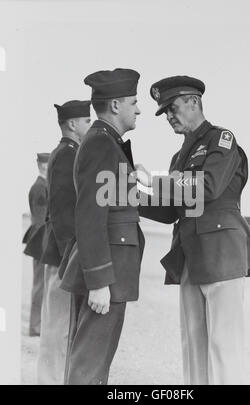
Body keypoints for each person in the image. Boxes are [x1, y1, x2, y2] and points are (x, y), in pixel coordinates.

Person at [136, 75, 250, 385]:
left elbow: (208, 187)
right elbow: (171, 211)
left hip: (222, 254)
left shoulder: (222, 140)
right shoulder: (178, 157)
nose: (169, 117)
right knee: (193, 344)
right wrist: (131, 196)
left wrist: (154, 180)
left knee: (224, 345)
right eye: (164, 112)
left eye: (172, 108)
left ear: (193, 103)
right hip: (191, 255)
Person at [60, 68, 145, 385]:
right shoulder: (100, 144)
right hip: (105, 274)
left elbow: (130, 198)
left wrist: (190, 197)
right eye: (134, 102)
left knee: (94, 366)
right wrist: (98, 282)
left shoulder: (107, 142)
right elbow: (90, 215)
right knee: (89, 367)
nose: (138, 109)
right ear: (115, 105)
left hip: (111, 272)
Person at [37, 100, 91, 385]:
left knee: (60, 326)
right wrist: (71, 256)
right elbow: (62, 214)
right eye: (87, 122)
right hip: (62, 256)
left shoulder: (67, 152)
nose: (90, 127)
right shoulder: (68, 154)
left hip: (60, 254)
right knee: (58, 328)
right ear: (72, 124)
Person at [23, 153, 50, 336]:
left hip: (41, 239)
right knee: (40, 284)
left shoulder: (42, 185)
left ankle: (37, 324)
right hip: (40, 240)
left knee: (41, 283)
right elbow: (40, 222)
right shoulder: (40, 187)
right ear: (43, 166)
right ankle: (34, 327)